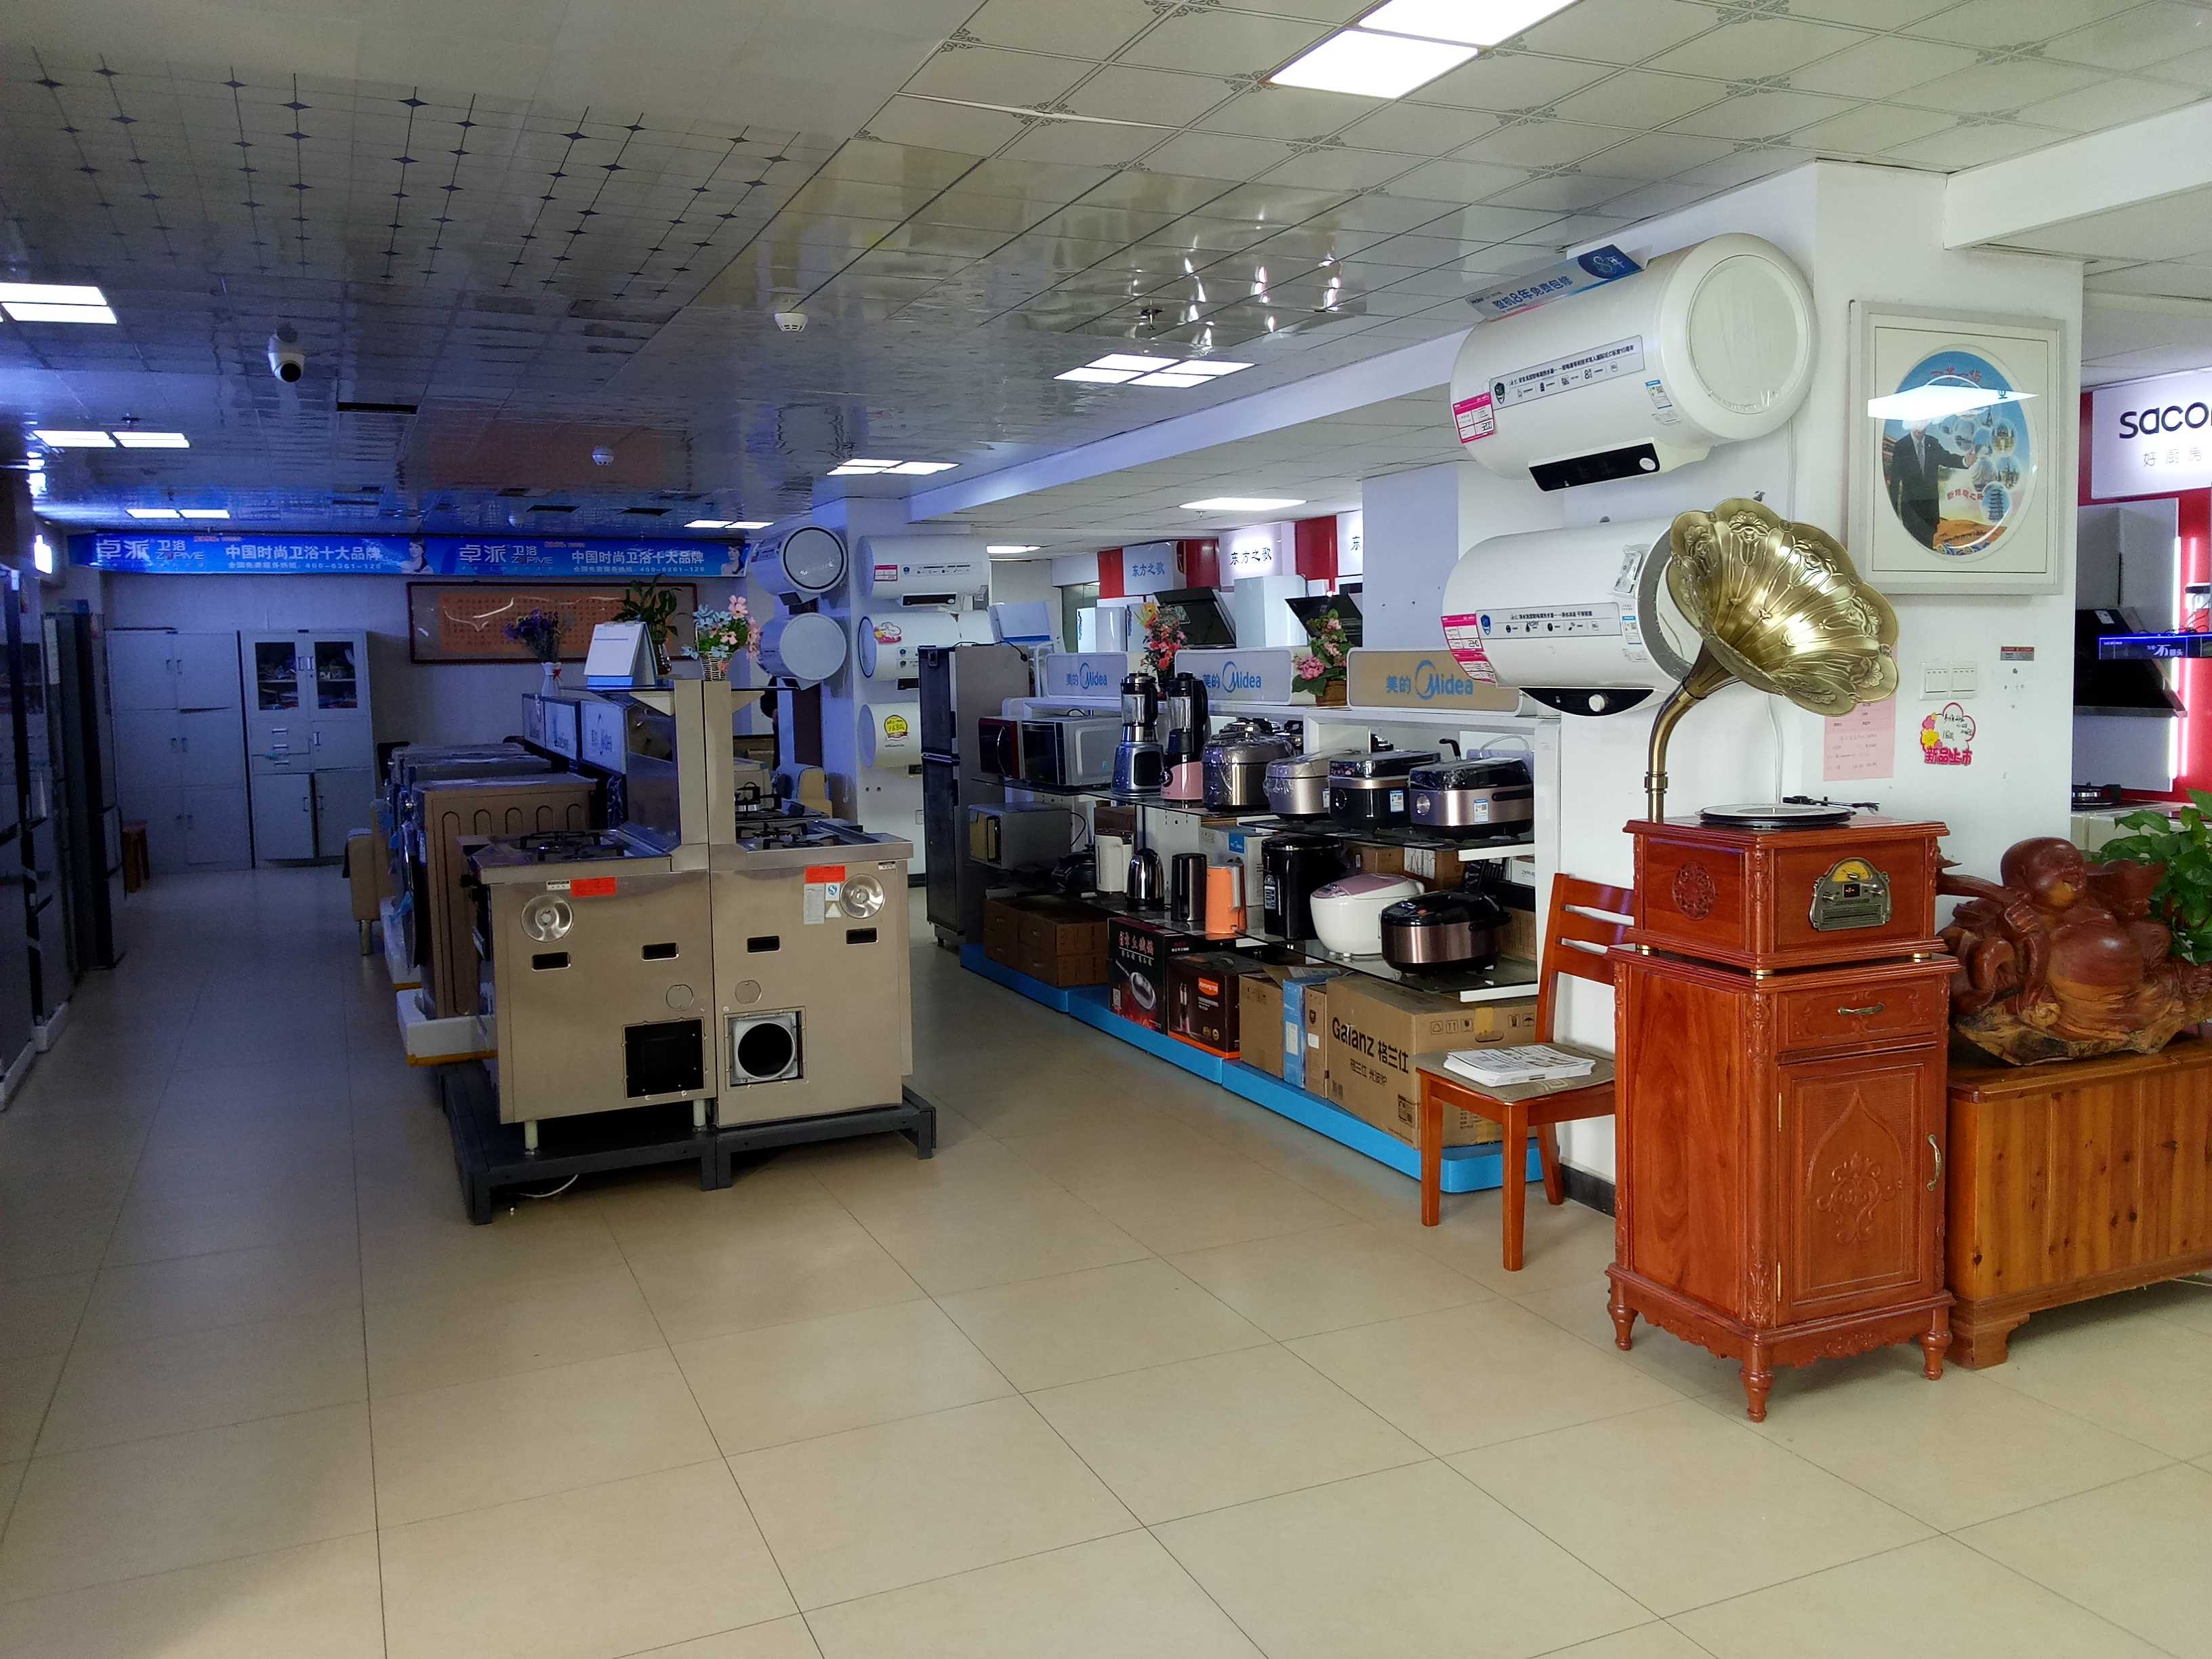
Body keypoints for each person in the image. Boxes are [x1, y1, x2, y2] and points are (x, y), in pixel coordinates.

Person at [1886, 418, 1969, 549]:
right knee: (1911, 548)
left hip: (1930, 509)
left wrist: (1964, 461)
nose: (1919, 427)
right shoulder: (1901, 446)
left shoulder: (1933, 443)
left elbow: (1947, 458)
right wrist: (1893, 511)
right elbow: (1895, 481)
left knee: (1928, 547)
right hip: (1911, 510)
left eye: (1922, 424)